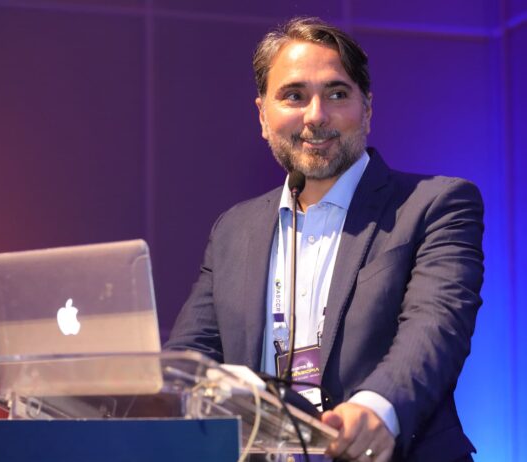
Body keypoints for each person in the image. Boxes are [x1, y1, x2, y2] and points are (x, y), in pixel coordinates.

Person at [166, 17, 484, 462]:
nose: (315, 116)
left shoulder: (436, 204)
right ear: (262, 115)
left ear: (367, 109)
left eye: (336, 94)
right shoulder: (233, 229)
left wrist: (377, 409)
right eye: (294, 95)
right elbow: (189, 360)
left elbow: (435, 326)